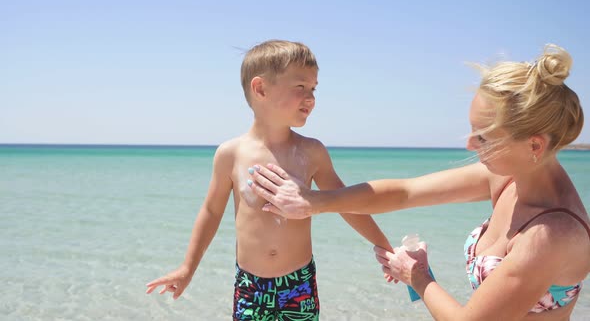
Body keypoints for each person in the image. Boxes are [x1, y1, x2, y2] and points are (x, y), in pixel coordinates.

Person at [246, 44, 589, 320]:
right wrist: (315, 202)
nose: (469, 144)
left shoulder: (552, 236)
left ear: (534, 145)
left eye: (483, 137)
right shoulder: (506, 178)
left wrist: (418, 276)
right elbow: (405, 192)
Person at [145, 39, 393, 321]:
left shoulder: (312, 152)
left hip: (298, 283)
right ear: (260, 88)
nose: (310, 97)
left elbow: (345, 203)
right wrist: (187, 268)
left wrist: (384, 246)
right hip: (250, 286)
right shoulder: (231, 154)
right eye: (300, 87)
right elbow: (211, 212)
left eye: (313, 89)